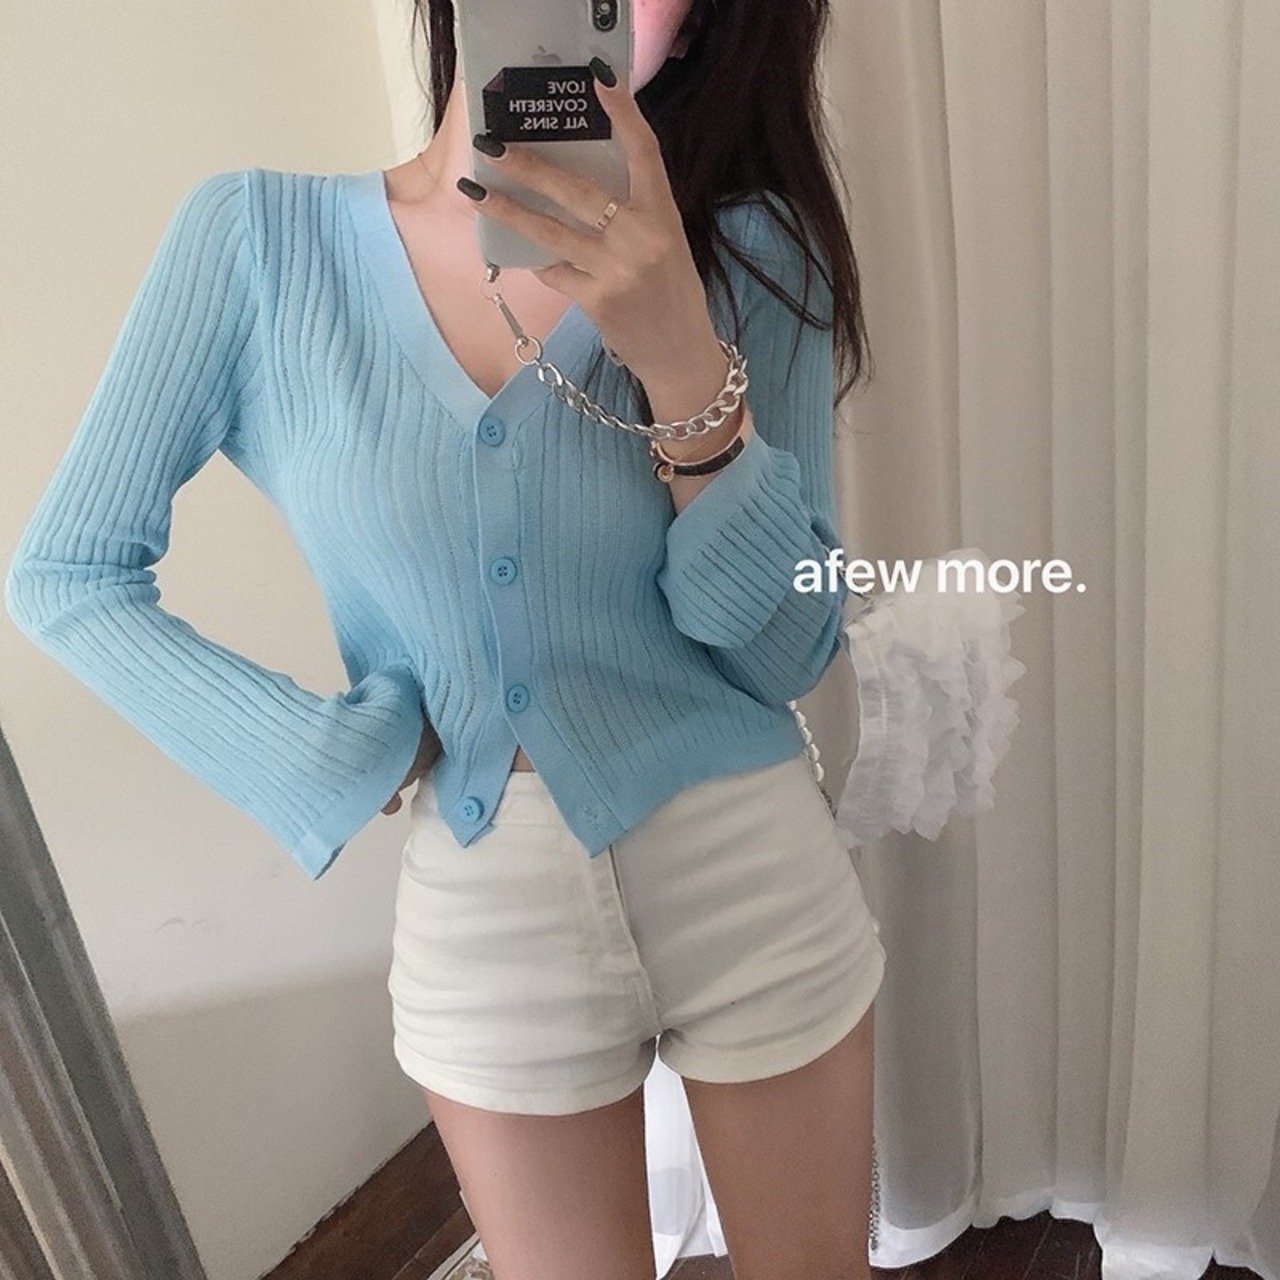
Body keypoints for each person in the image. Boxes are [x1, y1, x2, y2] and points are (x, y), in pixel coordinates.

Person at [5, 1, 884, 1276]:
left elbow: (789, 649)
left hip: (751, 868)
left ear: (691, 33)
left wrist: (682, 361)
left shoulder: (751, 248)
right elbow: (67, 573)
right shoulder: (257, 243)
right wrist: (324, 754)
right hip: (486, 909)